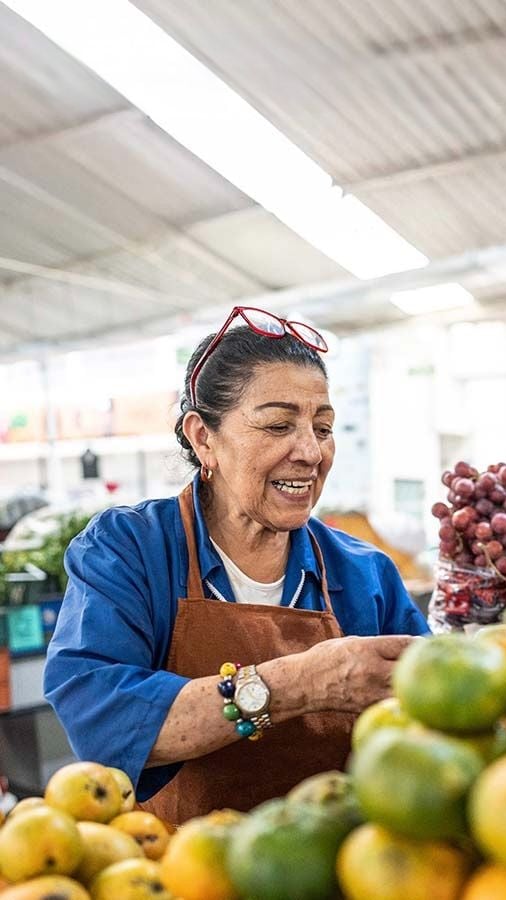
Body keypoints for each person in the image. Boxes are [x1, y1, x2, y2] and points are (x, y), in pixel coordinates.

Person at [44, 307, 429, 824]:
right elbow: (100, 719)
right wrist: (300, 682)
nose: (311, 452)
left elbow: (428, 717)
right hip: (178, 868)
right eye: (277, 425)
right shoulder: (129, 549)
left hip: (335, 864)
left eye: (324, 427)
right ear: (204, 437)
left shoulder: (367, 575)